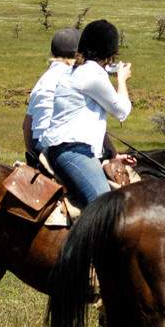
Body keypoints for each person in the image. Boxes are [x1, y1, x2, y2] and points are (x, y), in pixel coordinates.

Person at [40, 19, 134, 205]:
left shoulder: (77, 70)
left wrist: (113, 154)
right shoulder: (93, 75)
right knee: (103, 206)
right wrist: (122, 80)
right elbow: (122, 110)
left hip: (66, 148)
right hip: (74, 151)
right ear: (110, 53)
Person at [23, 28, 79, 161]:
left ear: (52, 52)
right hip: (61, 146)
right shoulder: (76, 78)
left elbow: (26, 126)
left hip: (38, 145)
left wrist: (32, 156)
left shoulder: (43, 80)